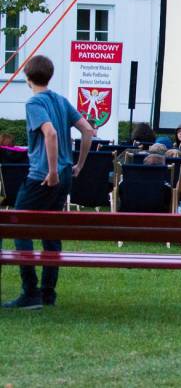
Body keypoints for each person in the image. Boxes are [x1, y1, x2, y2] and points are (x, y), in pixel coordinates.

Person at [3, 55, 95, 309]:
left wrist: (52, 171)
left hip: (43, 176)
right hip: (65, 175)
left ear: (27, 78)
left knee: (18, 226)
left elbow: (50, 133)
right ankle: (47, 293)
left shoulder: (34, 102)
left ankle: (30, 292)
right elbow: (88, 130)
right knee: (50, 231)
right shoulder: (60, 100)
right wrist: (79, 165)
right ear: (50, 76)